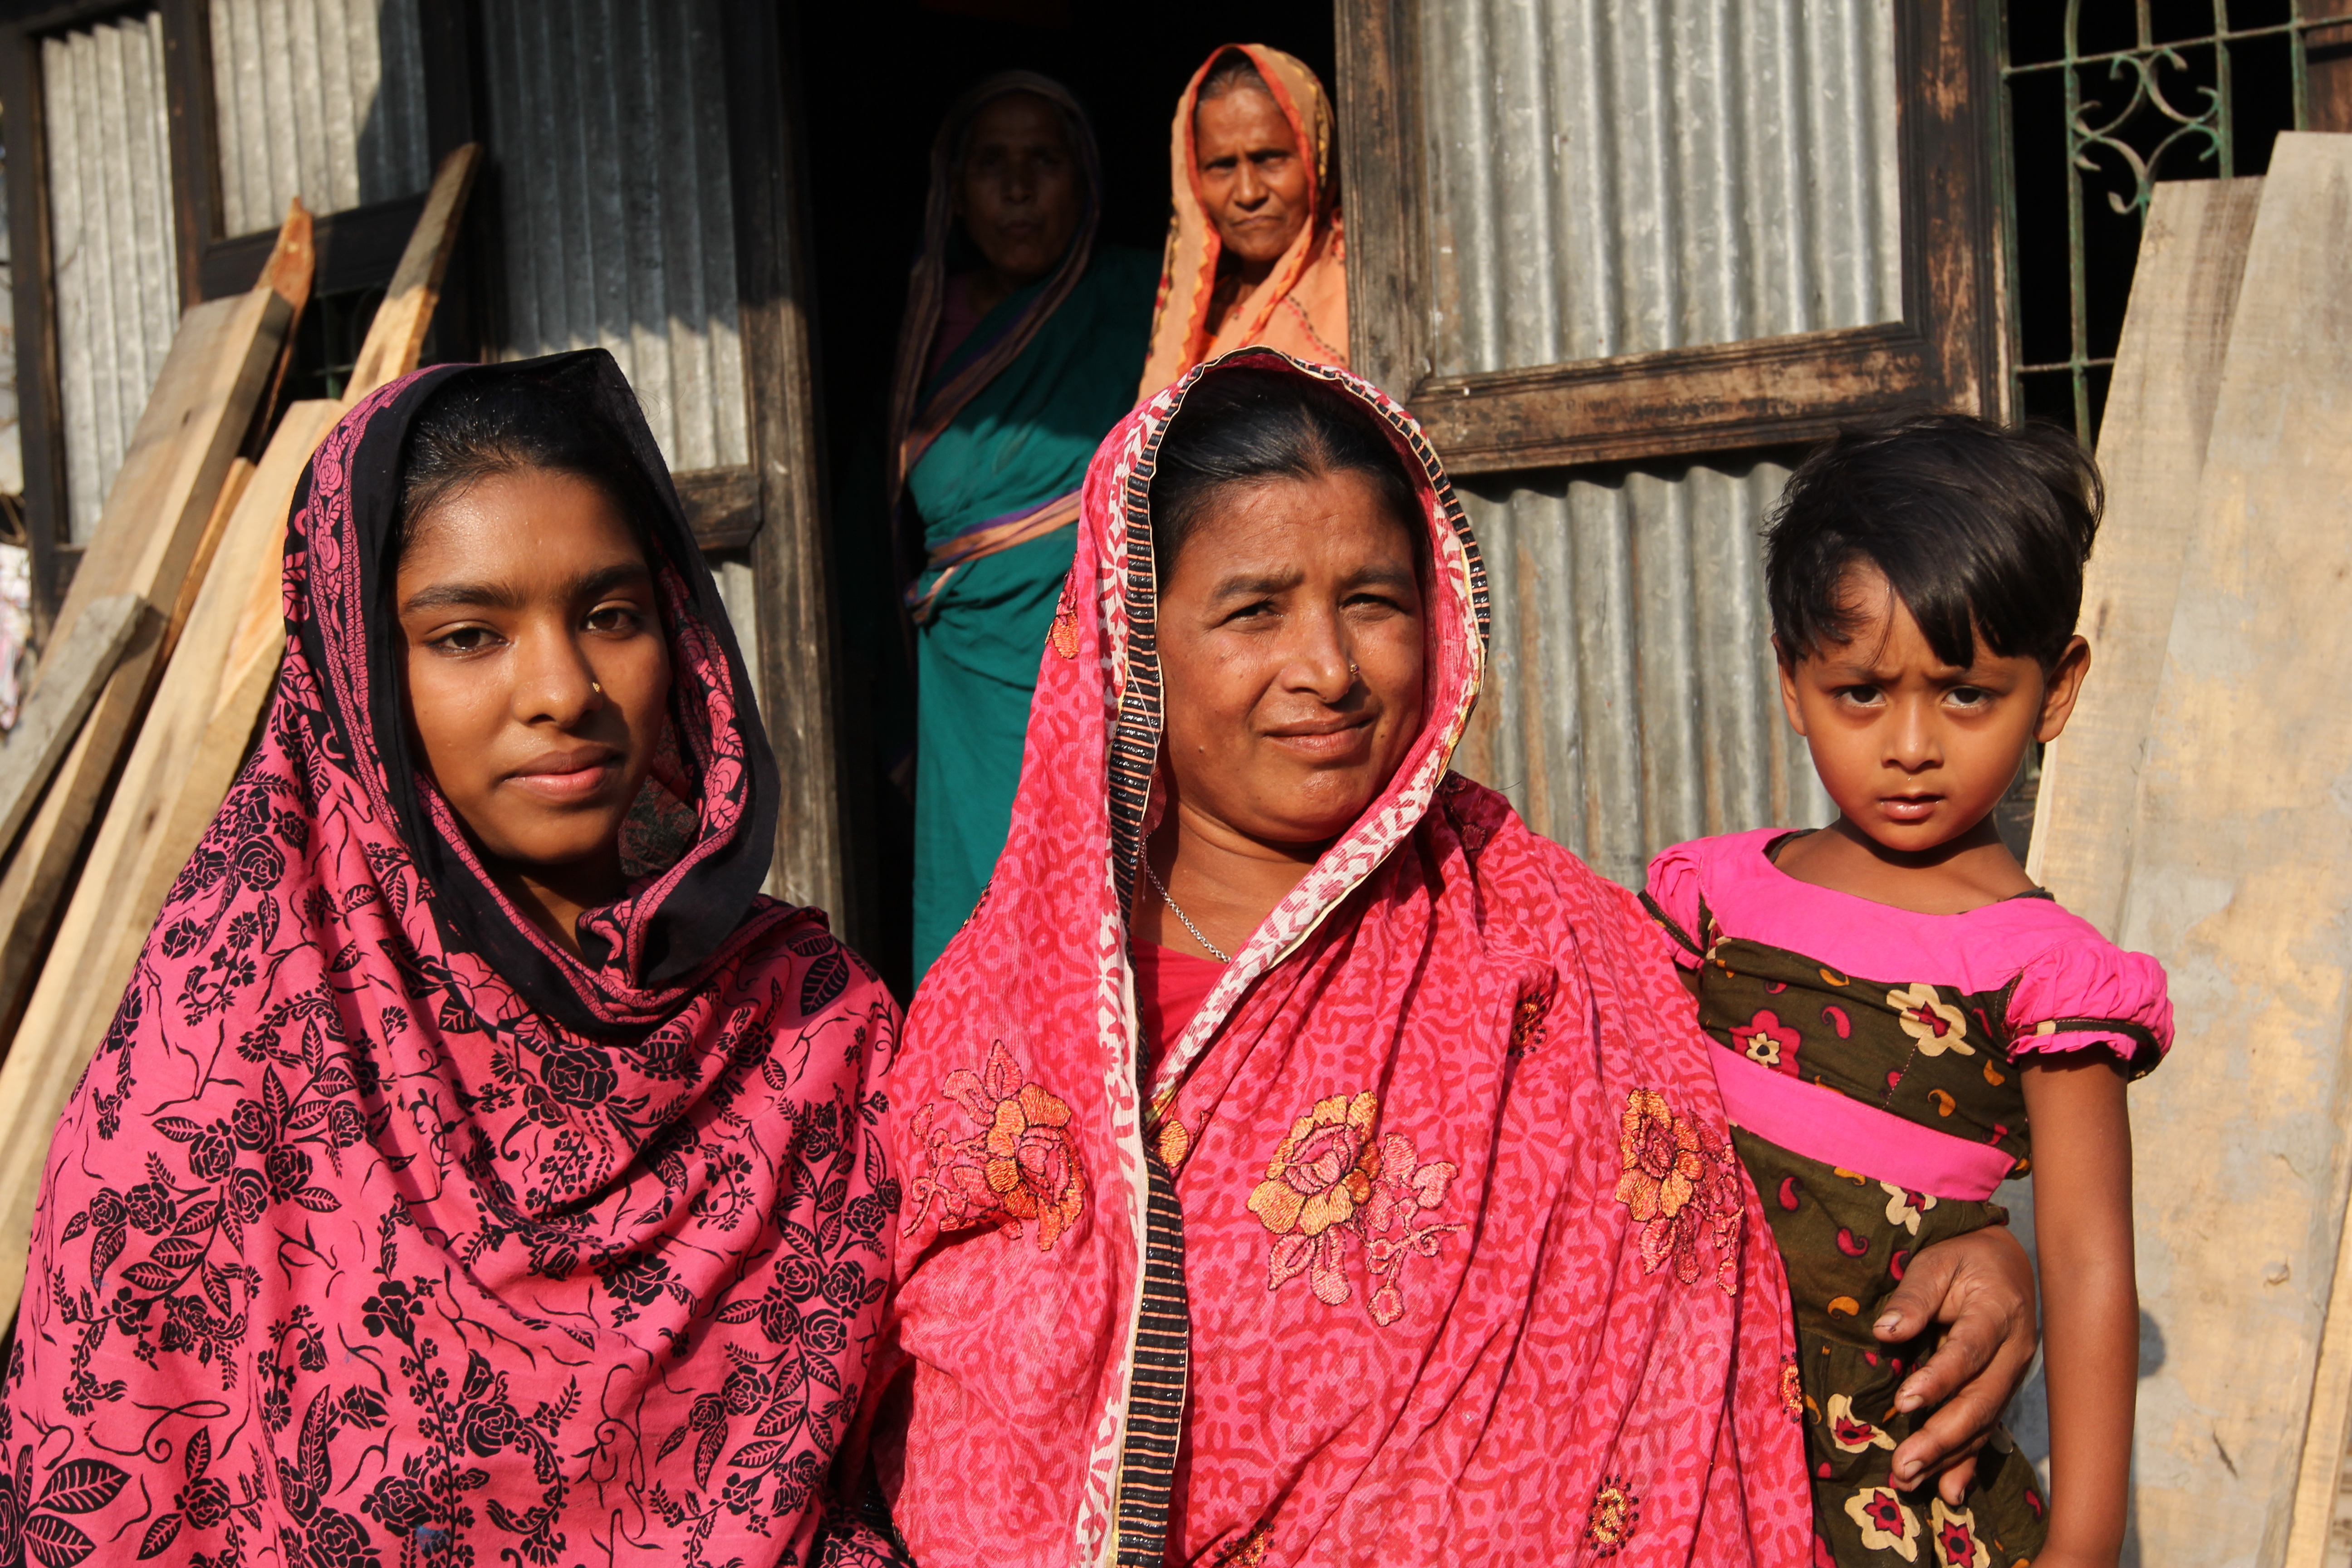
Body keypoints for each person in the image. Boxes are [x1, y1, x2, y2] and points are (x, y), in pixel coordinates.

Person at [841, 352, 2046, 1565]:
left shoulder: (1545, 933)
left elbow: (1783, 1139)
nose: (1329, 669)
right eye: (1255, 610)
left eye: (1372, 600)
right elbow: (936, 1388)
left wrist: (1974, 1244)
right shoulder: (1006, 1014)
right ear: (1133, 641)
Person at [0, 353, 899, 1566]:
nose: (563, 689)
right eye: (469, 635)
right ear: (362, 676)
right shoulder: (205, 1096)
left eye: (611, 616)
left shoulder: (815, 1034)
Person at [1643, 415, 2169, 1566]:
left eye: (1967, 692)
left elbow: (2084, 1265)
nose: (1913, 745)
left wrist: (2081, 1546)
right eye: (1862, 692)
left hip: (1897, 1479)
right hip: (1683, 1450)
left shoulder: (2043, 971)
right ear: (1792, 680)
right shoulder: (1712, 898)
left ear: (2057, 687)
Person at [888, 74, 1159, 980]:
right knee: (977, 906)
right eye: (991, 165)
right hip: (962, 678)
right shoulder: (924, 326)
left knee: (1093, 906)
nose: (1016, 189)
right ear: (955, 192)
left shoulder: (1138, 302)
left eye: (1043, 162)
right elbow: (872, 527)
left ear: (1084, 182)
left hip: (1093, 664)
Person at [1139, 44, 1348, 396]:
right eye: (1222, 166)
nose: (1249, 194)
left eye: (1270, 158)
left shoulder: (1359, 288)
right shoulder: (1196, 321)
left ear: (1316, 158)